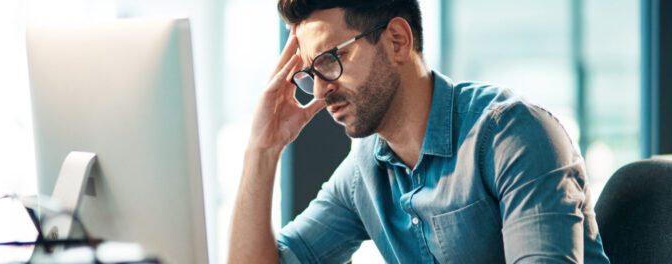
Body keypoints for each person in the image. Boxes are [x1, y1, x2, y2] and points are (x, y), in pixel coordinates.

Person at [229, 0, 610, 263]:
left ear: (397, 40)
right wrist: (262, 148)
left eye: (331, 59)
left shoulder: (512, 136)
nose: (321, 89)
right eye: (311, 73)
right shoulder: (365, 173)